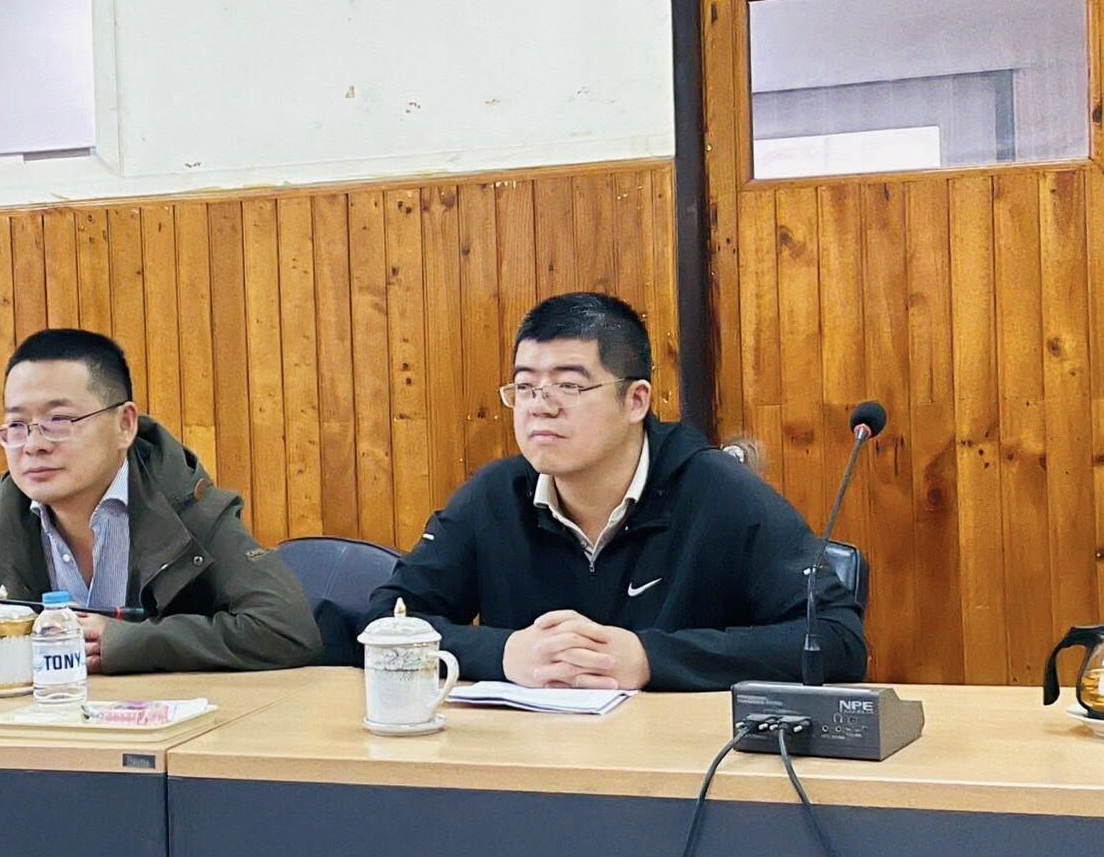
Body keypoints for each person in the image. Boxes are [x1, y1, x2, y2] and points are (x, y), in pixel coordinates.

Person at [364, 293, 868, 691]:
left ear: (635, 401)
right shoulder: (495, 496)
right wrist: (502, 654)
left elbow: (837, 638)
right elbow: (386, 621)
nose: (540, 406)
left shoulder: (719, 493)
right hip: (530, 761)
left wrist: (651, 658)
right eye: (526, 387)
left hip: (682, 766)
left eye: (568, 386)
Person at [0, 329, 321, 674]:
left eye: (59, 420)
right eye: (17, 426)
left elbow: (285, 628)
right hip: (40, 732)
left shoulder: (185, 507)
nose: (33, 445)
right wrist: (3, 644)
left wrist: (134, 643)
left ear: (125, 425)